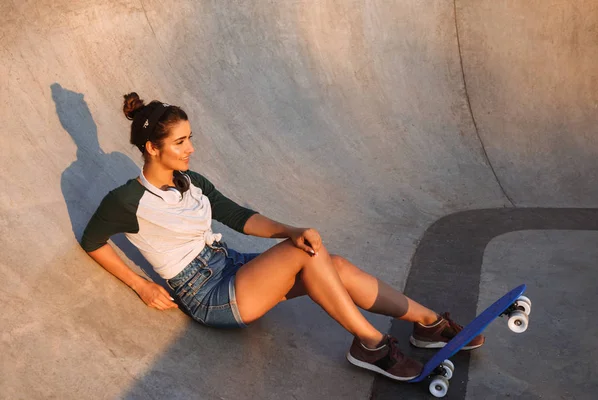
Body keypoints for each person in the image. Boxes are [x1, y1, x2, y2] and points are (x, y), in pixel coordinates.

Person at [81, 93, 484, 382]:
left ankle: (427, 323)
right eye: (181, 142)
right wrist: (141, 285)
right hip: (206, 294)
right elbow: (93, 240)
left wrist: (291, 229)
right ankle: (371, 344)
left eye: (190, 138)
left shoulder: (192, 182)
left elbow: (237, 216)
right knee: (303, 255)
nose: (192, 148)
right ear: (152, 148)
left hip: (232, 266)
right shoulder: (127, 200)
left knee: (332, 263)